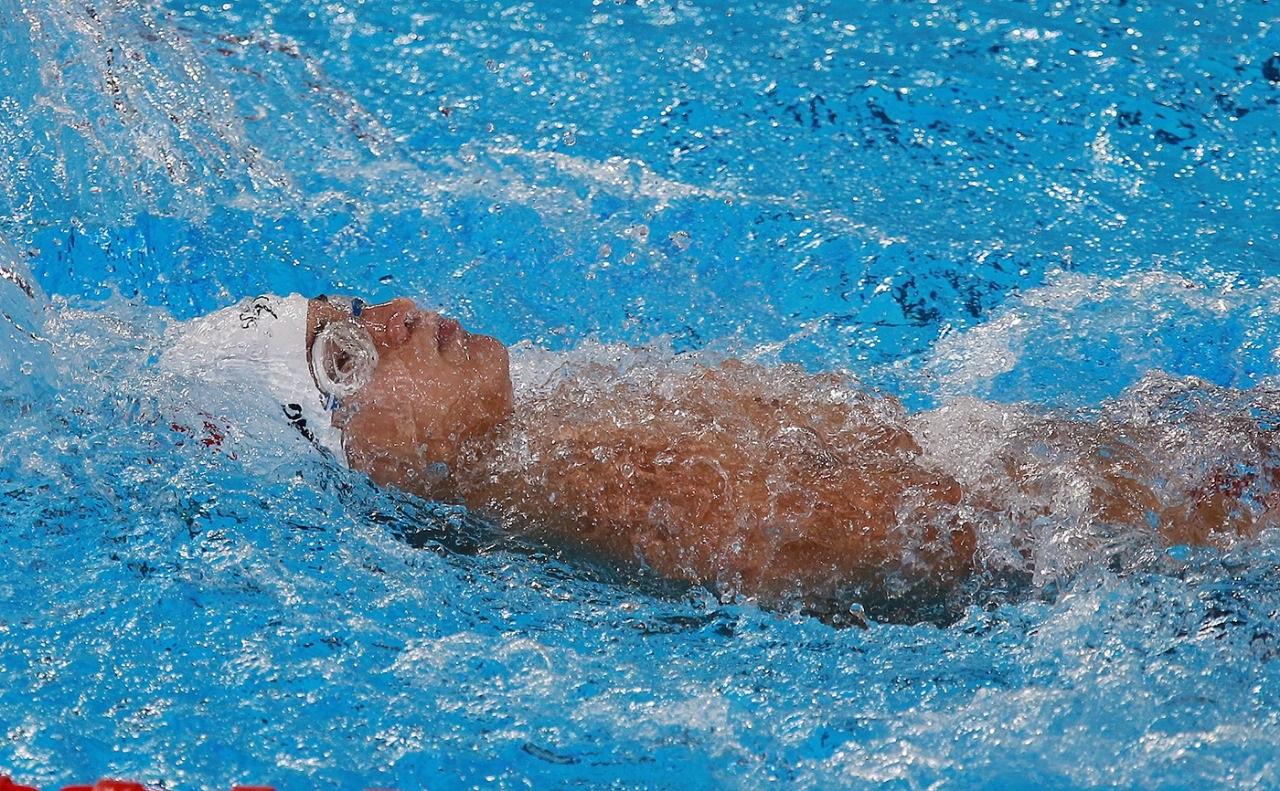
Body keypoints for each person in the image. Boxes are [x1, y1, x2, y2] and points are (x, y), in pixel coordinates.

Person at [162, 293, 1280, 625]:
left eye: (354, 305)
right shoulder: (629, 493)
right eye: (348, 354)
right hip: (1169, 538)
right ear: (364, 468)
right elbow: (993, 534)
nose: (399, 314)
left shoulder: (542, 428)